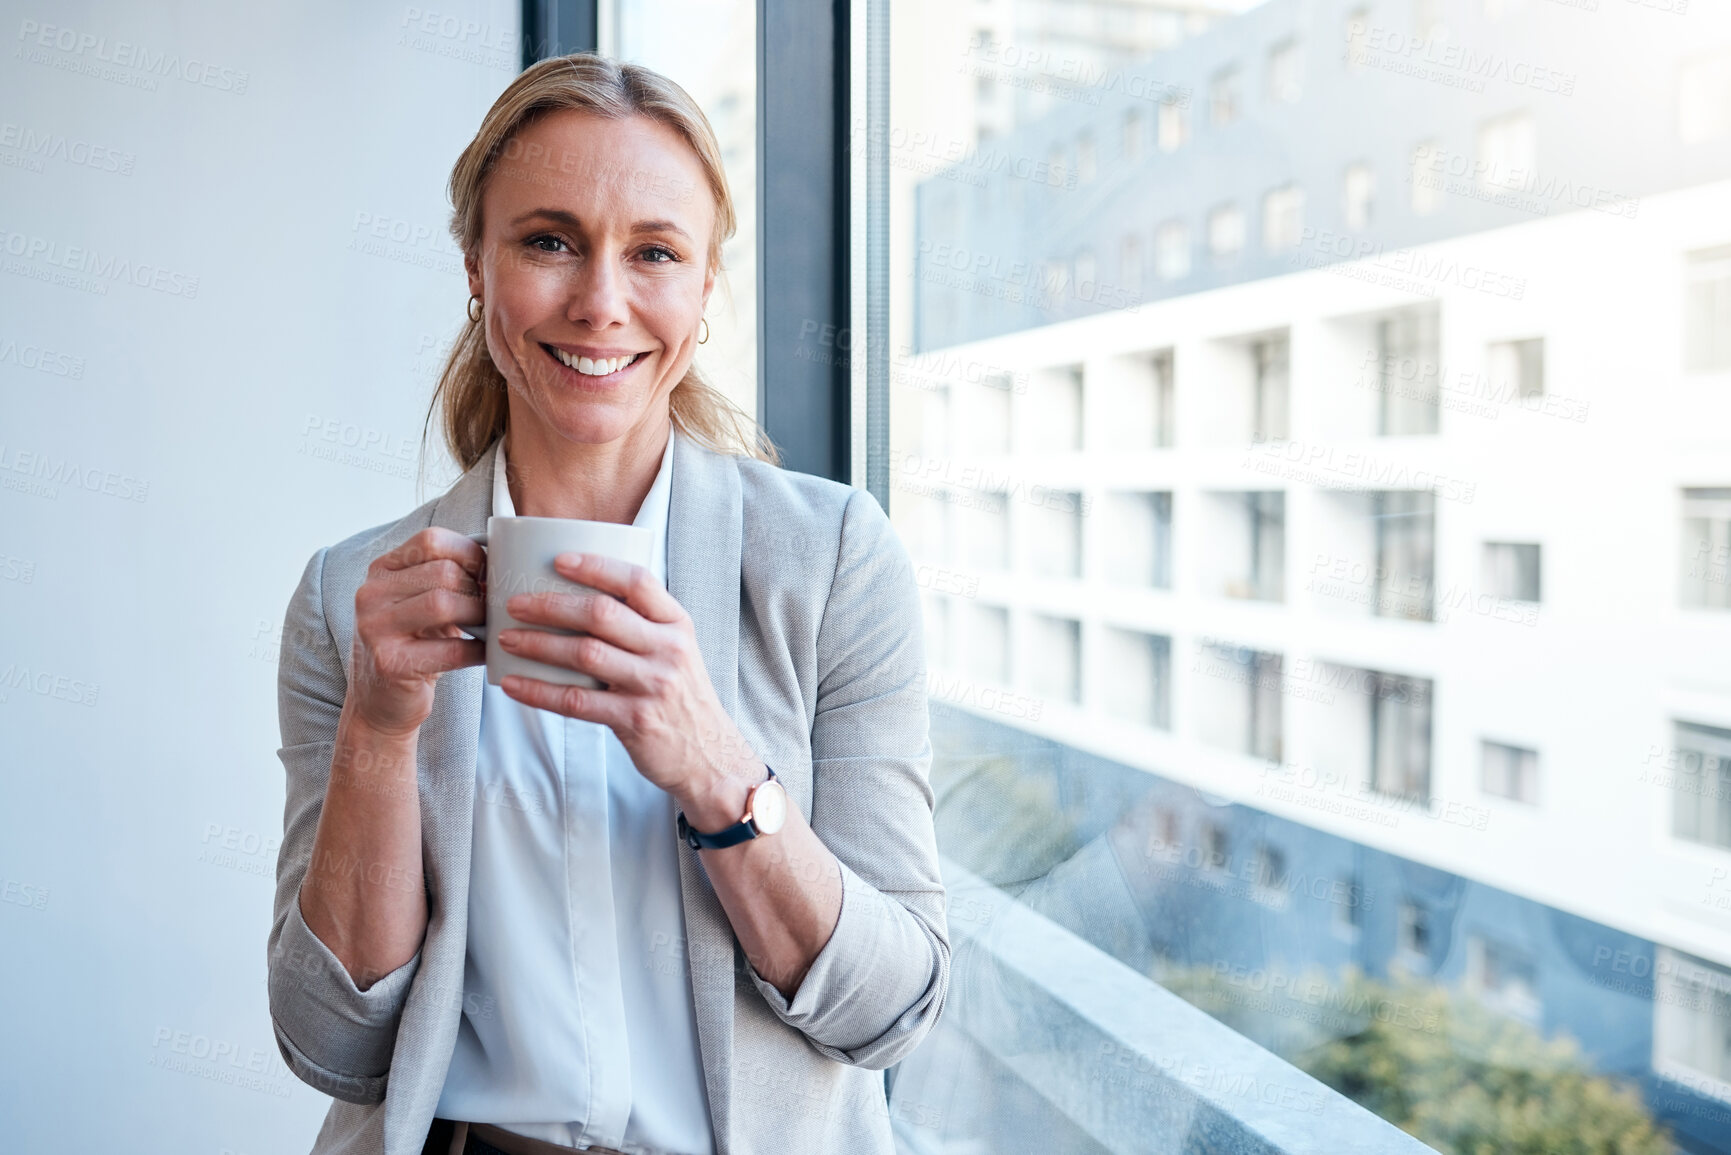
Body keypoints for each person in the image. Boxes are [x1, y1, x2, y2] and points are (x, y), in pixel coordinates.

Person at [267, 52, 948, 1155]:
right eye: (549, 240)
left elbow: (896, 1004)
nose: (600, 302)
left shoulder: (832, 564)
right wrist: (380, 735)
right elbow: (327, 1046)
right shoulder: (355, 601)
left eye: (655, 253)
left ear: (704, 288)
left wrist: (716, 767)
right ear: (477, 266)